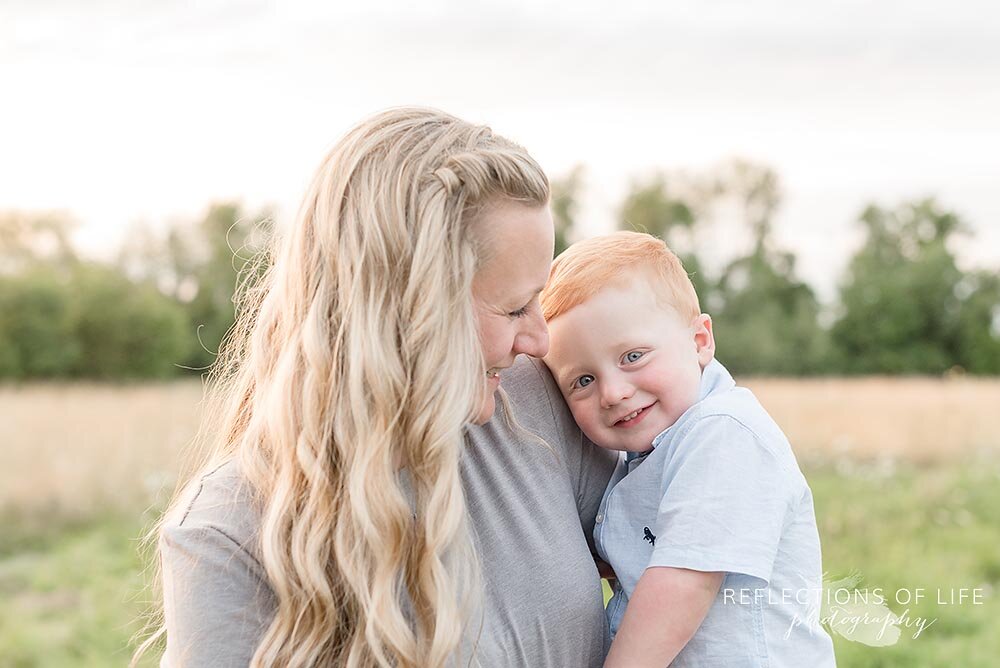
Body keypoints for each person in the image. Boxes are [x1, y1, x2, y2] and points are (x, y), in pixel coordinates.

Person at [136, 108, 616, 668]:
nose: (538, 338)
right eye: (513, 308)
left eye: (540, 298)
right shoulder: (227, 536)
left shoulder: (538, 405)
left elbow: (706, 537)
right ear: (408, 312)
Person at [540, 231, 836, 667]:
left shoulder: (724, 434)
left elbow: (683, 582)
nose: (613, 392)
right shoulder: (647, 455)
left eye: (633, 357)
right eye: (583, 381)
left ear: (699, 341)